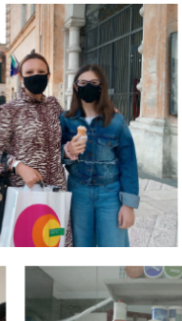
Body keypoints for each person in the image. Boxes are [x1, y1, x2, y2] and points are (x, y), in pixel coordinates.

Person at [0, 53, 71, 243]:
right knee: (28, 242)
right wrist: (19, 166)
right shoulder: (10, 110)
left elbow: (67, 136)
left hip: (57, 189)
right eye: (30, 72)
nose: (36, 76)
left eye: (41, 72)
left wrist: (102, 111)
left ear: (48, 76)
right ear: (22, 78)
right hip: (25, 191)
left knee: (56, 240)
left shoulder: (54, 106)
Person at [60, 64, 139, 247]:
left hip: (110, 194)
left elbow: (128, 163)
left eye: (94, 82)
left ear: (101, 87)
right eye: (83, 82)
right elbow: (52, 154)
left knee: (113, 248)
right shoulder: (65, 120)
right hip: (78, 193)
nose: (88, 86)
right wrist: (67, 150)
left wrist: (128, 205)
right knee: (81, 248)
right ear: (75, 87)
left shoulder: (116, 121)